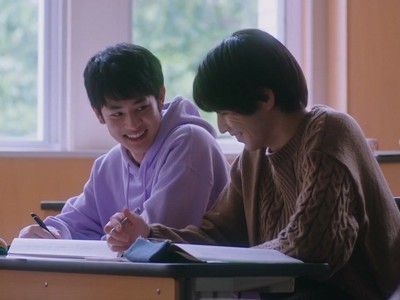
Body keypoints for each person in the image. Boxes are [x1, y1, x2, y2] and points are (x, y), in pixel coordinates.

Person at [104, 30, 400, 300]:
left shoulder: (330, 132)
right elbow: (217, 235)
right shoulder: (254, 155)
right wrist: (149, 234)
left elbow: (313, 247)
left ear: (265, 98)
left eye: (226, 112)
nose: (221, 126)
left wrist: (235, 260)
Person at [18, 43, 230, 240]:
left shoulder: (191, 143)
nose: (132, 124)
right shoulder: (107, 166)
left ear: (160, 97)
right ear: (99, 114)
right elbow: (76, 223)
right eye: (117, 114)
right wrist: (48, 234)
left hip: (201, 279)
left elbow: (156, 234)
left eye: (141, 108)